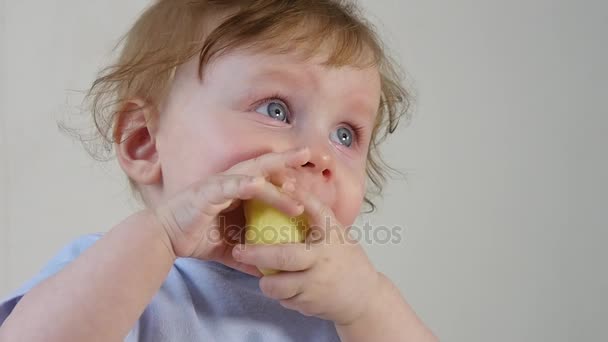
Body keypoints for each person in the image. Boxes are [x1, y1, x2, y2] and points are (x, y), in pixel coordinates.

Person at [0, 0, 437, 341]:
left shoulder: (341, 312)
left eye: (345, 135)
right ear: (145, 142)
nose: (318, 156)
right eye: (276, 109)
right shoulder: (112, 276)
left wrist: (368, 304)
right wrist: (161, 236)